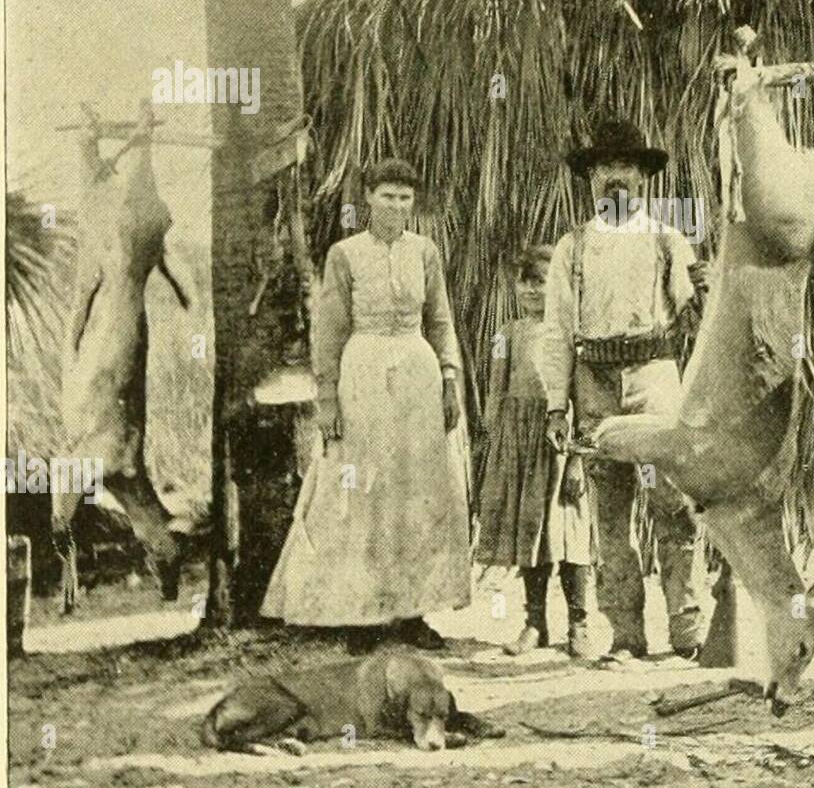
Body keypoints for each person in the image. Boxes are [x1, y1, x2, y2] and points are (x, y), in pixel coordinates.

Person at [262, 157, 472, 653]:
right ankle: (361, 616)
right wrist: (328, 397)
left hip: (418, 375)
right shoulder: (345, 254)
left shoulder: (425, 252)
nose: (396, 205)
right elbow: (329, 330)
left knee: (417, 488)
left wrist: (449, 379)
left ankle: (413, 612)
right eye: (386, 195)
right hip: (362, 375)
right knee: (360, 487)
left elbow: (440, 320)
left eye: (405, 197)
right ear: (368, 198)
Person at [541, 118, 707, 665]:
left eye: (628, 169)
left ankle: (687, 630)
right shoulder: (574, 247)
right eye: (606, 168)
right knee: (608, 513)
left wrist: (703, 295)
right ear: (591, 178)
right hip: (595, 386)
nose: (617, 179)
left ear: (643, 179)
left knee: (672, 502)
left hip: (655, 379)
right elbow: (558, 331)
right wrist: (556, 404)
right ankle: (626, 633)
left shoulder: (667, 240)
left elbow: (693, 318)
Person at [476, 244, 596, 658]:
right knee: (531, 534)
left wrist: (579, 455)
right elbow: (496, 388)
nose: (531, 291)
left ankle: (579, 624)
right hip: (519, 444)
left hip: (558, 444)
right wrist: (496, 440)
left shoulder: (571, 335)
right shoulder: (505, 335)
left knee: (569, 534)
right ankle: (535, 623)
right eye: (524, 283)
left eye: (540, 283)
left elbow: (583, 397)